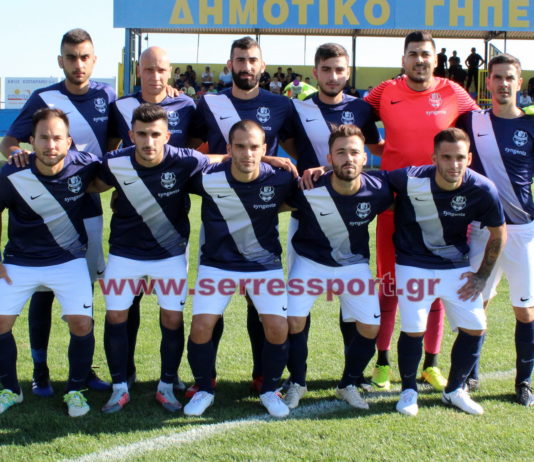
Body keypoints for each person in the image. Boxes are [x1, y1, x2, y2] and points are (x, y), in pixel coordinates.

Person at [0, 28, 113, 397]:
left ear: (94, 60)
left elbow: (118, 140)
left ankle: (85, 371)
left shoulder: (107, 96)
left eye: (85, 57)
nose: (78, 64)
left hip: (86, 206)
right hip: (43, 203)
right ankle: (40, 370)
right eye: (71, 57)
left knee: (81, 290)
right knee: (41, 292)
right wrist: (16, 155)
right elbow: (10, 140)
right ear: (60, 60)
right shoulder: (43, 98)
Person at [365, 30, 478, 392]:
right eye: (413, 54)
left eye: (426, 54)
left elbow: (480, 130)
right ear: (403, 59)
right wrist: (385, 151)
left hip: (442, 209)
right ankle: (382, 363)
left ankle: (430, 365)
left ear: (435, 59)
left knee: (437, 286)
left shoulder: (454, 92)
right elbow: (357, 122)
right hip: (394, 205)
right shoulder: (384, 91)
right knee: (389, 285)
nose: (419, 60)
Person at [189, 36, 295, 396]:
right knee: (211, 309)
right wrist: (258, 158)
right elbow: (190, 153)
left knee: (259, 304)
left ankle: (262, 375)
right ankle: (206, 378)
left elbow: (295, 150)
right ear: (229, 65)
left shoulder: (280, 105)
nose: (246, 66)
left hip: (260, 216)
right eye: (240, 60)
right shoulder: (209, 103)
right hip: (219, 215)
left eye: (252, 60)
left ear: (262, 66)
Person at [91, 104, 215, 413]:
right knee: (116, 316)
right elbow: (89, 182)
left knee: (172, 318)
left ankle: (166, 385)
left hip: (169, 255)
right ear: (131, 135)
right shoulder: (115, 162)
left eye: (156, 134)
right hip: (124, 253)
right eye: (142, 134)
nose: (149, 141)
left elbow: (225, 159)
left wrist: (271, 158)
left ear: (167, 136)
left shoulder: (185, 159)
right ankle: (119, 387)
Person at [184, 120, 298, 418]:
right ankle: (204, 388)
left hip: (263, 265)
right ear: (229, 149)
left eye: (254, 147)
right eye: (240, 146)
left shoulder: (281, 178)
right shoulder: (207, 177)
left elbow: (303, 196)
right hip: (217, 264)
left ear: (264, 149)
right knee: (201, 326)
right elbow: (179, 161)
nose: (247, 153)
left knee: (278, 327)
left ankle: (269, 389)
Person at [390, 127, 506, 416]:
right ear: (434, 158)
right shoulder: (411, 178)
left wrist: (482, 276)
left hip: (456, 266)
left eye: (460, 157)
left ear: (469, 158)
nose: (454, 164)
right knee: (414, 328)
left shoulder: (483, 188)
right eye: (447, 157)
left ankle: (454, 390)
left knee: (476, 326)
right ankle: (408, 391)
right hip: (413, 264)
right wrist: (325, 170)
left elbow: (498, 233)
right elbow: (368, 179)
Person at [0, 108, 102, 417]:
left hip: (68, 260)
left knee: (82, 323)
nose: (51, 144)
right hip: (20, 260)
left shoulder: (85, 166)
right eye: (43, 138)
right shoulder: (12, 172)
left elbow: (121, 175)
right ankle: (10, 389)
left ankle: (76, 390)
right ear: (31, 141)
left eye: (57, 138)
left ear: (69, 142)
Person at [107, 47, 198, 390]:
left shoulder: (187, 105)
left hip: (171, 223)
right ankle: (125, 372)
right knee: (124, 306)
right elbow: (110, 151)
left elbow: (197, 150)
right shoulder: (121, 106)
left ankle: (170, 378)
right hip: (129, 223)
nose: (155, 76)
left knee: (171, 311)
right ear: (138, 71)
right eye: (148, 69)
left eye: (161, 70)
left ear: (170, 72)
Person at [284, 124, 392, 410]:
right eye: (341, 153)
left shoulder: (379, 189)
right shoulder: (308, 186)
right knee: (292, 321)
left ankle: (348, 384)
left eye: (355, 152)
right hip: (310, 261)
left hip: (353, 265)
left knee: (370, 326)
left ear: (365, 157)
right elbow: (275, 201)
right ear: (330, 158)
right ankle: (297, 382)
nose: (349, 158)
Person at [457, 54, 534, 405]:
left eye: (510, 77)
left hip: (521, 231)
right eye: (497, 77)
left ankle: (524, 382)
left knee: (525, 310)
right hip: (482, 230)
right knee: (476, 303)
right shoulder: (471, 121)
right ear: (488, 82)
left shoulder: (530, 126)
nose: (504, 83)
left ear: (519, 82)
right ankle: (468, 374)